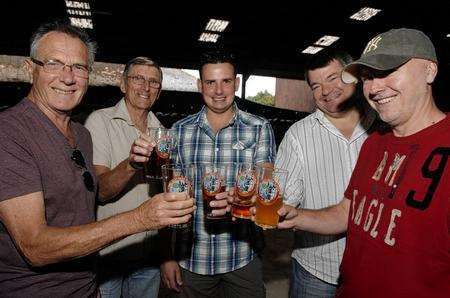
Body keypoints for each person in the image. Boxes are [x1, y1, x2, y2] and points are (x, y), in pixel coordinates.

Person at [0, 21, 194, 297]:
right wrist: (140, 217)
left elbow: (85, 203)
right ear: (31, 69)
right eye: (54, 63)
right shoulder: (10, 132)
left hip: (91, 281)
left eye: (78, 67)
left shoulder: (81, 135)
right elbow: (35, 247)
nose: (68, 77)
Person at [277, 28, 450, 297]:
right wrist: (296, 216)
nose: (375, 87)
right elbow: (348, 212)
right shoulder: (375, 143)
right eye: (368, 76)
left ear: (429, 70)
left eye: (388, 70)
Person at [160, 51, 276, 297]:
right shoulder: (179, 131)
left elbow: (266, 183)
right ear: (200, 85)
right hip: (192, 259)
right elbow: (169, 200)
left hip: (242, 255)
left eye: (226, 81)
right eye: (211, 82)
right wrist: (167, 256)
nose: (219, 90)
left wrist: (244, 197)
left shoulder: (259, 128)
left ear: (237, 83)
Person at [275, 49, 376, 297]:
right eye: (316, 86)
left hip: (376, 269)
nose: (326, 91)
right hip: (318, 272)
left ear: (354, 75)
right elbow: (283, 200)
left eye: (333, 78)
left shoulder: (385, 126)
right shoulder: (298, 135)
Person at [84, 57, 164, 297]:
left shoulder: (161, 131)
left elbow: (164, 195)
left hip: (148, 258)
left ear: (159, 92)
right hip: (109, 255)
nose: (145, 87)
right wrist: (130, 163)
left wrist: (166, 255)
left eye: (153, 82)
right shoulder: (100, 121)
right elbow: (101, 191)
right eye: (138, 78)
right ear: (123, 84)